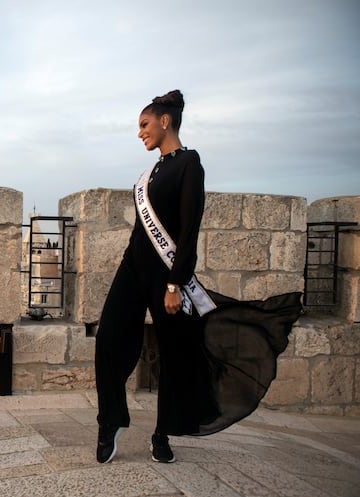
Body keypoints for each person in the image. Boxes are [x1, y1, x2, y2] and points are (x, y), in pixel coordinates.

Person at [94, 90, 302, 465]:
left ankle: (161, 435)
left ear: (164, 121)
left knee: (173, 355)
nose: (140, 133)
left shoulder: (190, 163)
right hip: (134, 266)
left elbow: (190, 229)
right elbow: (143, 231)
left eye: (144, 125)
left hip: (167, 275)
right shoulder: (149, 173)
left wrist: (175, 283)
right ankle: (110, 421)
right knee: (108, 337)